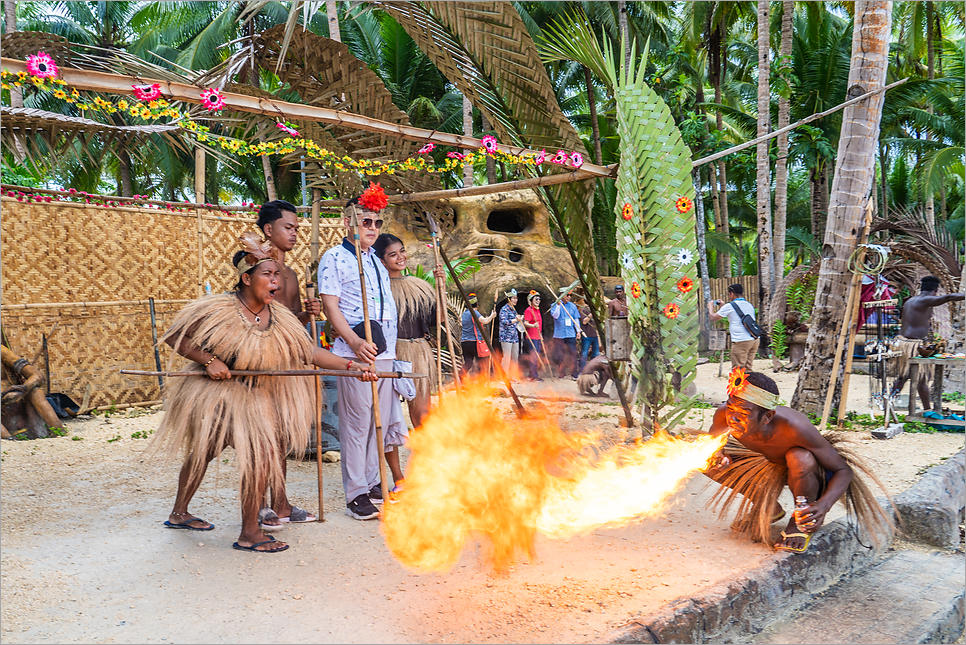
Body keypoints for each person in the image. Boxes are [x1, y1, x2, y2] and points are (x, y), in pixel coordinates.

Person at [150, 234, 375, 553]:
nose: (276, 282)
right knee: (205, 453)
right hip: (219, 396)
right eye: (267, 275)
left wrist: (349, 365)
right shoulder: (220, 309)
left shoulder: (280, 316)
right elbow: (176, 336)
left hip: (257, 398)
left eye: (277, 276)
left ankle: (246, 528)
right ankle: (223, 525)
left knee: (261, 457)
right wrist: (210, 360)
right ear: (246, 278)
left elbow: (308, 351)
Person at [704, 369, 893, 553]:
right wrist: (719, 456)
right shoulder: (724, 415)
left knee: (799, 457)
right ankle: (767, 506)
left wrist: (823, 505)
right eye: (731, 408)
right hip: (767, 462)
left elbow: (843, 471)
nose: (733, 418)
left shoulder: (795, 428)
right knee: (705, 460)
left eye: (744, 413)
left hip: (806, 472)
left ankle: (800, 519)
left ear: (767, 417)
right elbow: (713, 445)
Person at [318, 183, 406, 520]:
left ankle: (371, 482)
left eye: (376, 223)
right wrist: (354, 343)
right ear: (347, 222)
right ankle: (356, 493)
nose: (371, 228)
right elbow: (331, 306)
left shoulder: (376, 262)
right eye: (365, 221)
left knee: (376, 423)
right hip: (355, 352)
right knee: (357, 424)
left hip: (385, 352)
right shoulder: (335, 258)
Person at [255, 200, 322, 529]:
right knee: (261, 437)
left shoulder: (292, 275)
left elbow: (291, 324)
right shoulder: (254, 268)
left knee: (281, 436)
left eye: (297, 228)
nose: (295, 233)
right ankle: (258, 506)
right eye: (289, 227)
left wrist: (308, 314)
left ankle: (280, 502)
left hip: (288, 365)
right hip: (259, 366)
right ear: (269, 230)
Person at [373, 233, 441, 429]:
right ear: (382, 260)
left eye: (402, 251)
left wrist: (440, 288)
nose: (400, 257)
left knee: (422, 413)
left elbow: (439, 319)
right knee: (385, 415)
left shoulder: (419, 288)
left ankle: (425, 455)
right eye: (393, 254)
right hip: (387, 354)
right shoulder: (377, 290)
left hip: (418, 352)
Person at [889, 276, 964, 408]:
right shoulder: (925, 300)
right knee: (916, 377)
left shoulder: (911, 300)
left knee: (907, 377)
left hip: (904, 341)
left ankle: (894, 403)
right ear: (935, 290)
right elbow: (948, 297)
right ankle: (925, 410)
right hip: (912, 345)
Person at [707, 283, 759, 371]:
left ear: (731, 294)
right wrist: (723, 306)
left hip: (741, 341)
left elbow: (713, 318)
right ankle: (748, 384)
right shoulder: (749, 305)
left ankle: (740, 385)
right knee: (748, 369)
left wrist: (710, 307)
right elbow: (734, 316)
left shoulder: (729, 306)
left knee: (738, 370)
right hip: (754, 339)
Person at [460, 292, 496, 377]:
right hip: (474, 342)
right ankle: (481, 382)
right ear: (476, 304)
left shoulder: (464, 313)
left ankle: (459, 378)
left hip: (464, 342)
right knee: (482, 362)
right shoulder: (474, 312)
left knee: (468, 363)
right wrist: (492, 316)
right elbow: (484, 321)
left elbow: (473, 323)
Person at [550, 289, 581, 379]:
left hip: (570, 333)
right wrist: (559, 306)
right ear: (561, 295)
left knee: (573, 353)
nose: (569, 297)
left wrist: (578, 331)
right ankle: (561, 372)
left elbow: (576, 319)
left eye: (570, 295)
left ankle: (574, 373)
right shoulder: (554, 305)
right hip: (559, 334)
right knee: (560, 354)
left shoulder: (573, 306)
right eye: (567, 295)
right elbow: (555, 316)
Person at [497, 288, 523, 378]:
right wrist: (515, 319)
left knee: (515, 357)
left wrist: (519, 319)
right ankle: (504, 377)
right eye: (514, 298)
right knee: (507, 358)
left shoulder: (514, 310)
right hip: (506, 337)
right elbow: (504, 321)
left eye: (516, 298)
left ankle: (514, 376)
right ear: (509, 299)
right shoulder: (504, 309)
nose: (516, 300)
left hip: (514, 337)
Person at [522, 291, 544, 381]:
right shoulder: (528, 310)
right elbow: (525, 323)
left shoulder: (537, 309)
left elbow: (540, 325)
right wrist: (533, 325)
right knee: (534, 356)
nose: (538, 300)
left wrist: (541, 335)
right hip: (531, 337)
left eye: (539, 299)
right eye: (536, 299)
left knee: (536, 356)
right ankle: (534, 376)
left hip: (538, 336)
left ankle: (531, 375)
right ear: (531, 300)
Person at [577, 296, 599, 371]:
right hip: (586, 335)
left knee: (596, 353)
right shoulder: (583, 310)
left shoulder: (596, 310)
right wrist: (591, 313)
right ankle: (582, 370)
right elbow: (584, 321)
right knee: (584, 354)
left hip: (595, 335)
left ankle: (594, 369)